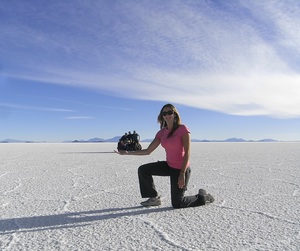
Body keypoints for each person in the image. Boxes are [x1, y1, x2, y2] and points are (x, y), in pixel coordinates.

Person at [115, 103, 214, 208]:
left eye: (170, 112)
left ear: (175, 114)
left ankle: (203, 196)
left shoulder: (182, 129)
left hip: (181, 169)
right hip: (169, 166)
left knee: (178, 203)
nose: (167, 115)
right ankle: (153, 198)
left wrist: (182, 174)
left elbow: (187, 153)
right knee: (143, 170)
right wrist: (127, 153)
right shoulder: (162, 133)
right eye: (164, 113)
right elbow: (148, 151)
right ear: (162, 116)